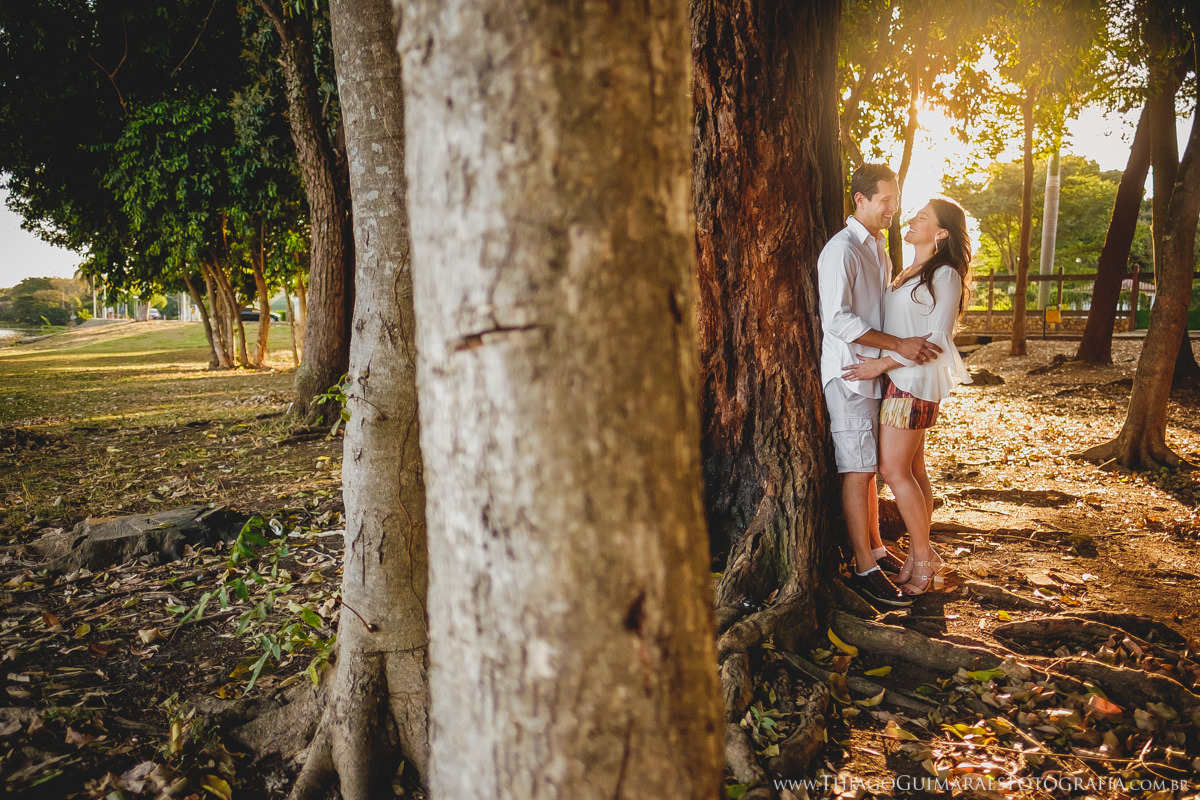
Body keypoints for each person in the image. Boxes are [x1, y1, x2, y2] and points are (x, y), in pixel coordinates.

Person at [818, 165, 943, 608]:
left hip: (877, 375)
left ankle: (876, 549)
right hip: (849, 375)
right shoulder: (843, 249)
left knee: (870, 468)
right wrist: (898, 346)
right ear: (860, 200)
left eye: (896, 199)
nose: (894, 208)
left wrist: (891, 360)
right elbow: (836, 318)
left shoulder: (879, 250)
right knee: (857, 471)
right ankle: (863, 569)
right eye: (886, 199)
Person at [842, 197, 972, 595]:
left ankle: (924, 556)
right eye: (913, 215)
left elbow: (936, 338)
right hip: (899, 380)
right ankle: (920, 557)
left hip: (912, 383)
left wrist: (881, 366)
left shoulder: (944, 274)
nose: (911, 221)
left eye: (922, 218)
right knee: (913, 471)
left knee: (892, 470)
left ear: (942, 232)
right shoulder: (907, 271)